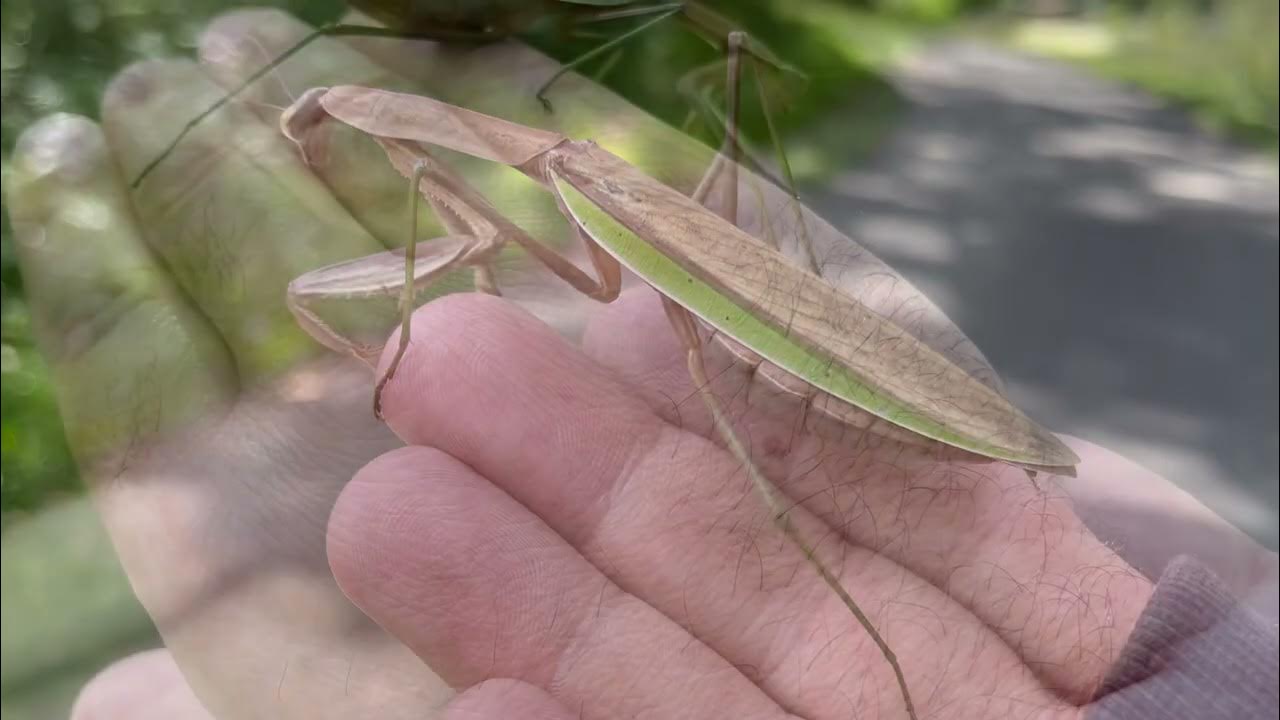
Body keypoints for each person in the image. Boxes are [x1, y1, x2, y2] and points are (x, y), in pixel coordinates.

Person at [6, 9, 1276, 720]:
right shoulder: (551, 172)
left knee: (747, 464)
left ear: (395, 133)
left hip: (844, 368)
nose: (322, 141)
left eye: (329, 127)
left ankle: (881, 662)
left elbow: (478, 245)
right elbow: (487, 242)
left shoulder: (544, 186)